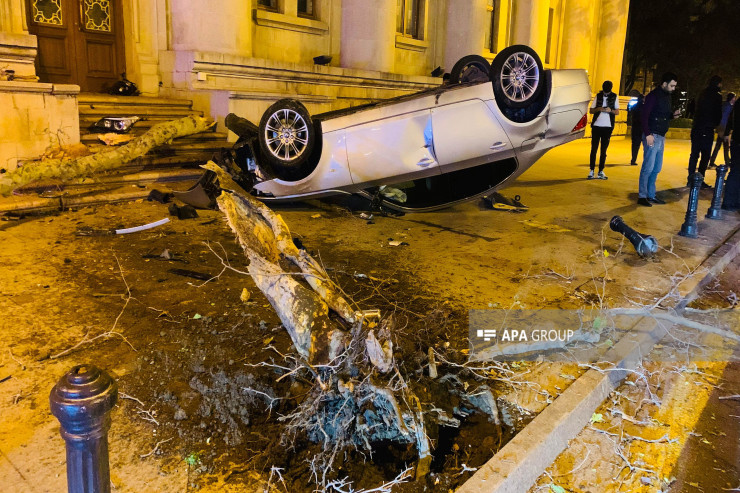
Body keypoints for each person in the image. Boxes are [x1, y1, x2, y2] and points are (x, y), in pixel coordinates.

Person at [637, 72, 682, 207]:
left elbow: (663, 114)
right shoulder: (653, 96)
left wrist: (672, 116)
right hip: (652, 135)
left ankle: (651, 195)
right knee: (648, 167)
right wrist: (648, 134)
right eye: (672, 86)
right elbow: (644, 116)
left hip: (661, 136)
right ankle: (642, 196)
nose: (673, 89)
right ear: (664, 84)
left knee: (656, 168)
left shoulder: (666, 97)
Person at [687, 75, 723, 188]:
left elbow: (693, 107)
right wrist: (715, 124)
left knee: (694, 154)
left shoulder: (701, 93)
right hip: (707, 128)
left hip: (697, 127)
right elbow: (718, 113)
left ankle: (691, 179)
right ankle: (699, 179)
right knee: (705, 155)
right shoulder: (716, 96)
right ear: (718, 83)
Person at [588, 80, 619, 180]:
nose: (606, 93)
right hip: (596, 125)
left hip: (608, 126)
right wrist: (599, 109)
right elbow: (591, 110)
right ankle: (592, 170)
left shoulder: (615, 96)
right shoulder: (598, 96)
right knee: (594, 149)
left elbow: (617, 112)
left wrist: (611, 110)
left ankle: (601, 170)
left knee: (603, 150)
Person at [708, 92, 736, 169]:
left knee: (721, 146)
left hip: (723, 128)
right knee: (724, 146)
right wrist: (723, 130)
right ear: (731, 98)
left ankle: (713, 162)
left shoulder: (727, 106)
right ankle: (726, 162)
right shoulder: (727, 107)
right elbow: (724, 118)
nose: (735, 99)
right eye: (734, 97)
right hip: (723, 129)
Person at [722, 103, 740, 211]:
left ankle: (732, 201)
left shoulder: (738, 103)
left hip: (736, 141)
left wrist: (727, 133)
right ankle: (730, 201)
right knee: (735, 172)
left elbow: (730, 120)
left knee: (735, 172)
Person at [629, 92, 644, 166]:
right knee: (644, 145)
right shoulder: (645, 107)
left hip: (635, 127)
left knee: (634, 145)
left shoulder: (634, 106)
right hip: (642, 128)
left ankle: (633, 159)